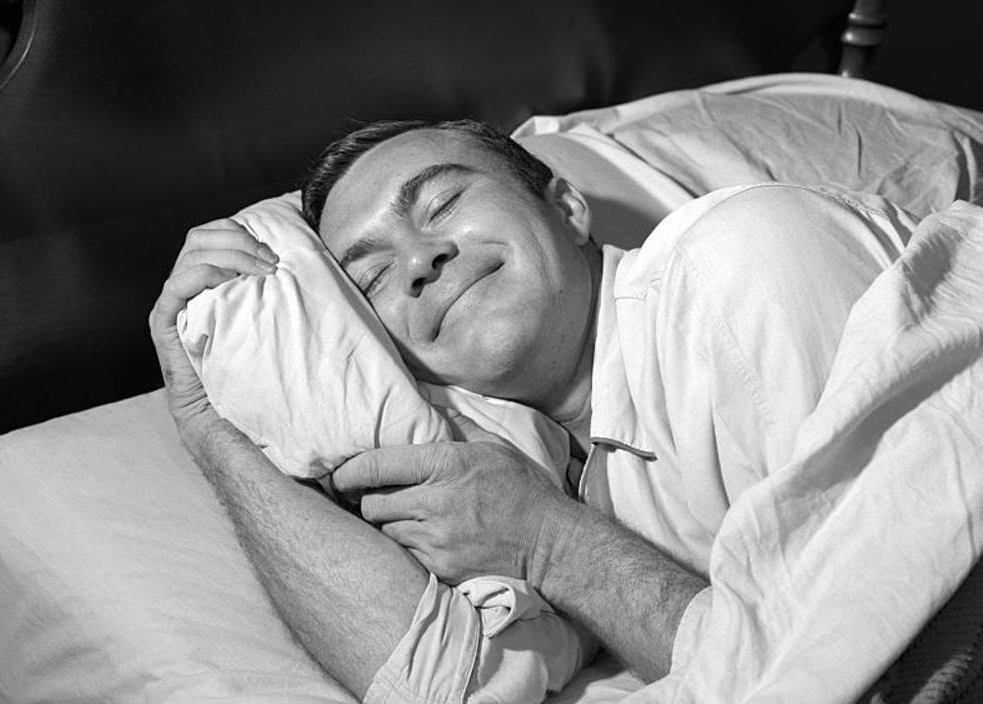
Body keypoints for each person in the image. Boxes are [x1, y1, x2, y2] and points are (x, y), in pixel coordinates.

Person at [147, 119, 913, 700]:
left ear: (567, 206)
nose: (419, 260)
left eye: (443, 203)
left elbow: (886, 658)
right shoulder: (536, 481)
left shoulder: (735, 261)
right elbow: (438, 684)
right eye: (374, 277)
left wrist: (550, 545)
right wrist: (206, 427)